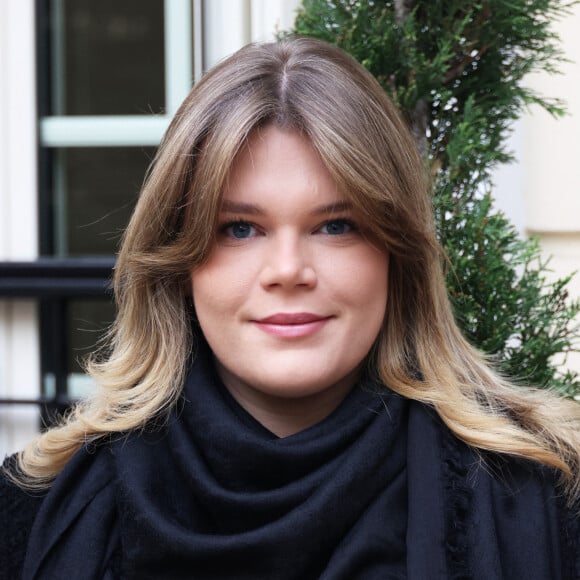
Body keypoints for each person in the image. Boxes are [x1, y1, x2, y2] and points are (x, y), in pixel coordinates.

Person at [1, 36, 579, 579]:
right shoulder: (32, 511)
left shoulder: (553, 499)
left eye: (335, 225)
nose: (287, 271)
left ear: (396, 255)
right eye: (239, 229)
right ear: (177, 262)